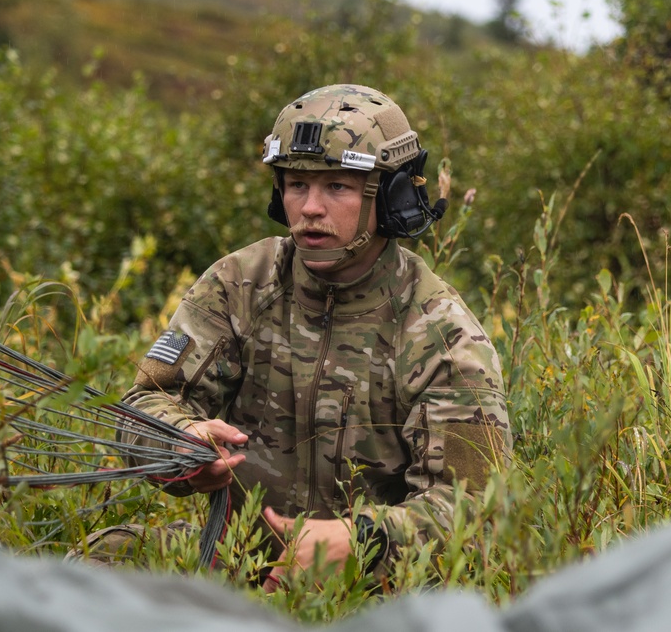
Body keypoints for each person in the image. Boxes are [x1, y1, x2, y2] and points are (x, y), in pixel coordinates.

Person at [120, 84, 512, 587]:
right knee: (106, 555)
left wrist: (362, 541)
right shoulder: (240, 284)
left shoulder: (441, 333)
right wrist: (179, 443)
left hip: (370, 588)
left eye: (338, 187)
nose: (309, 209)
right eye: (297, 185)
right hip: (235, 560)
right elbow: (143, 404)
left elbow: (475, 509)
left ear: (390, 198)